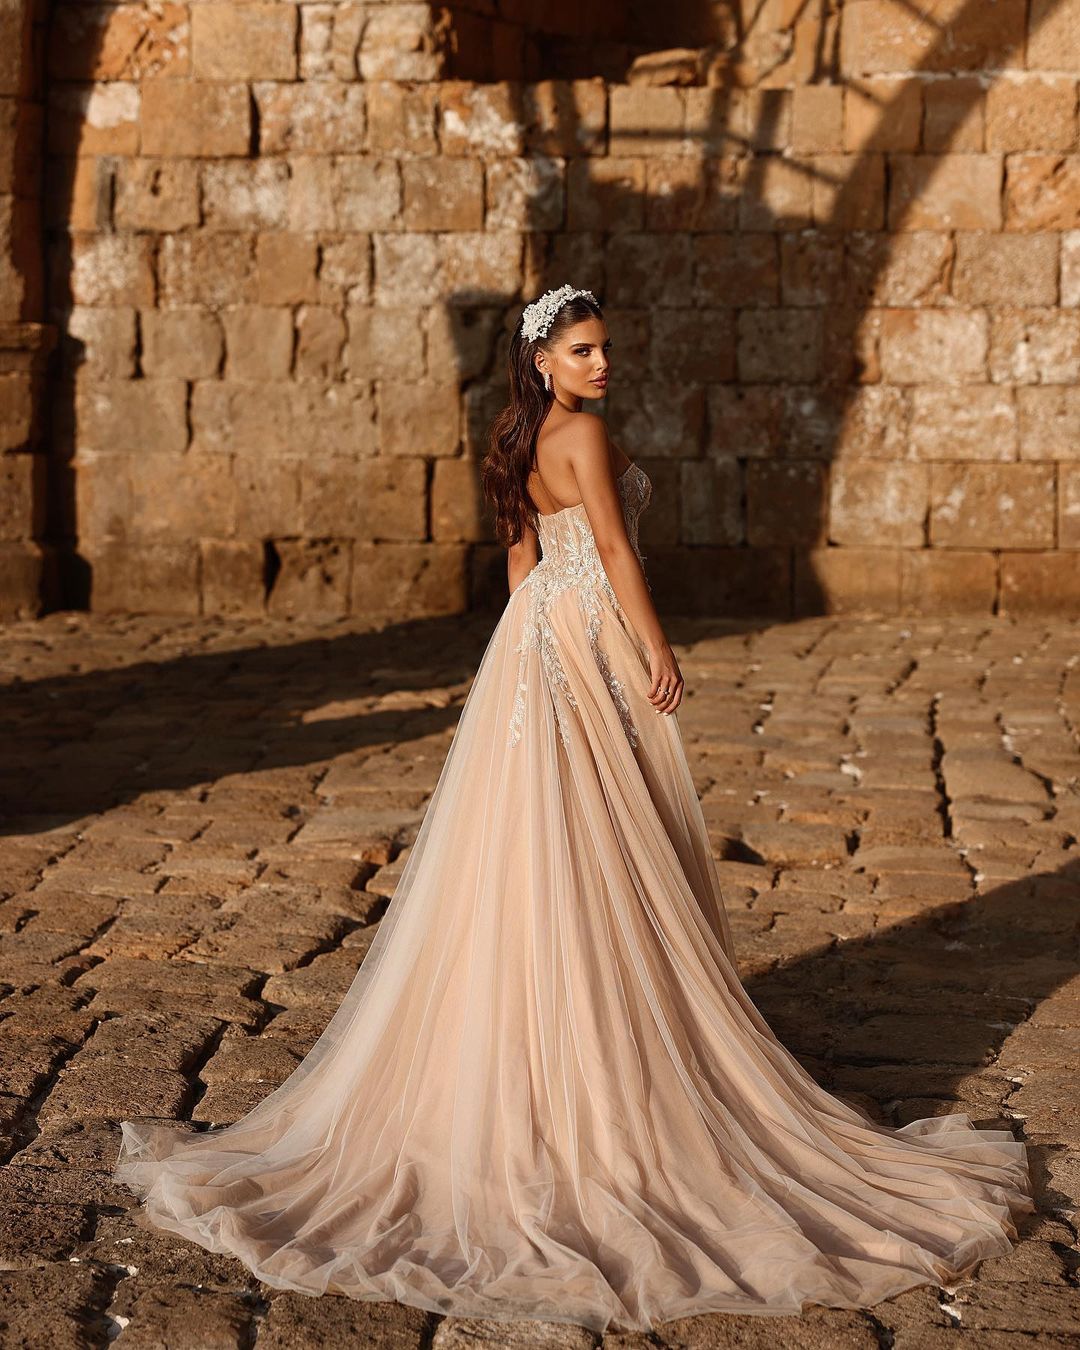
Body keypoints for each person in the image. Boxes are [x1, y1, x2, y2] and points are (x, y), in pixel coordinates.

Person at [113, 285, 1034, 1334]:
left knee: (537, 845)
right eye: (585, 350)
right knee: (602, 839)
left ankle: (550, 1039)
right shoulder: (583, 436)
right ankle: (603, 1058)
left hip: (532, 641)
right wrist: (653, 649)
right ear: (544, 357)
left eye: (606, 350)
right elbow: (616, 553)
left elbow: (522, 561)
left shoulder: (513, 436)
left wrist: (526, 657)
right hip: (586, 634)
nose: (602, 366)